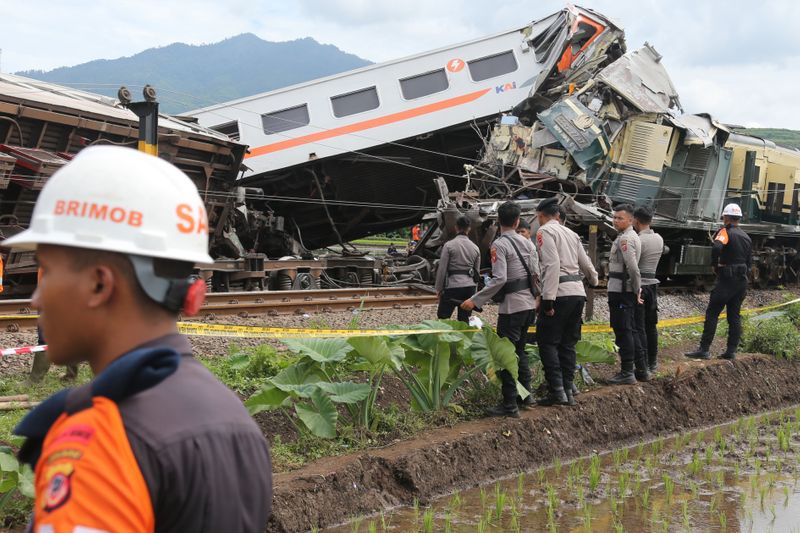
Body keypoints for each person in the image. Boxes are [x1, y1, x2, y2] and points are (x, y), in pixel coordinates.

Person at [8, 146, 272, 531]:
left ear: (99, 283)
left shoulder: (102, 439)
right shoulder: (231, 416)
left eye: (46, 271)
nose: (35, 298)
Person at [461, 201, 537, 418]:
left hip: (512, 308)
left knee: (505, 355)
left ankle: (509, 404)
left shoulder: (499, 245)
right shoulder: (528, 244)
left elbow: (500, 279)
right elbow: (536, 274)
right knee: (520, 352)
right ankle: (526, 397)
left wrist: (475, 301)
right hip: (529, 305)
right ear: (516, 221)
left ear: (498, 221)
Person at [535, 197, 599, 405]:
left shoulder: (545, 232)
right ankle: (569, 391)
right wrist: (594, 280)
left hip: (559, 293)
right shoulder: (572, 234)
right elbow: (586, 263)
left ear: (543, 216)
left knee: (548, 343)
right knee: (568, 344)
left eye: (539, 218)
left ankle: (557, 391)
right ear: (558, 215)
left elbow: (552, 265)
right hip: (577, 293)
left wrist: (548, 300)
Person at [686, 203, 752, 360]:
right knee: (734, 316)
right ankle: (731, 351)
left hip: (727, 279)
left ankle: (704, 349)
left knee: (712, 312)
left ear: (727, 218)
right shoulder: (746, 237)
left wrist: (715, 264)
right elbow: (749, 262)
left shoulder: (724, 232)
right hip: (741, 281)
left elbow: (717, 248)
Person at [607, 203, 645, 384]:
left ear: (630, 220)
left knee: (623, 330)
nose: (615, 221)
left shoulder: (626, 239)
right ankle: (639, 369)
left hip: (622, 291)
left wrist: (637, 289)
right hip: (620, 290)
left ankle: (627, 371)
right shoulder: (625, 236)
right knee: (626, 329)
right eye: (614, 217)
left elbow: (633, 268)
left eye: (619, 218)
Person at [633, 206, 664, 373]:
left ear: (636, 221)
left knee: (639, 326)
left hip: (640, 286)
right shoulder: (659, 239)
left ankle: (642, 362)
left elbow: (633, 265)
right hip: (653, 285)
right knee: (651, 326)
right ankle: (653, 361)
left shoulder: (638, 240)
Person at [435, 215, 480, 323]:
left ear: (456, 227)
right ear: (469, 228)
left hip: (452, 286)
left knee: (443, 318)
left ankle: (444, 338)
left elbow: (442, 269)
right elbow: (476, 273)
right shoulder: (475, 248)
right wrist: (475, 293)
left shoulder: (449, 245)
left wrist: (438, 288)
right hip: (469, 287)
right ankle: (463, 339)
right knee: (464, 320)